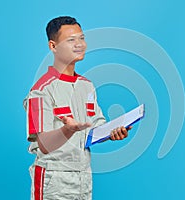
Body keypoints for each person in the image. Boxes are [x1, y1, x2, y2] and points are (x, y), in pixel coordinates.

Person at [23, 16, 130, 200]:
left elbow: (94, 130)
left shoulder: (86, 86)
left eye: (82, 38)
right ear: (53, 46)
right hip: (53, 179)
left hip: (83, 177)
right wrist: (67, 130)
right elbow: (44, 145)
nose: (79, 44)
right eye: (71, 40)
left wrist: (113, 132)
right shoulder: (41, 91)